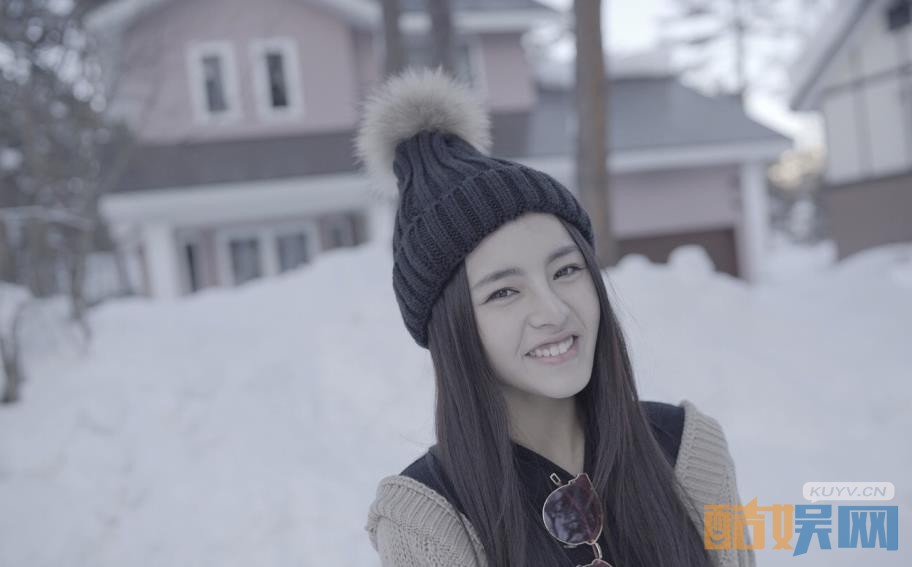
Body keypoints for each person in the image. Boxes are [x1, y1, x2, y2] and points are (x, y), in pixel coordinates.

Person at [355, 67, 755, 567]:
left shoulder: (688, 450)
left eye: (565, 271)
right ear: (452, 329)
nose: (553, 310)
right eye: (504, 291)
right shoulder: (429, 519)